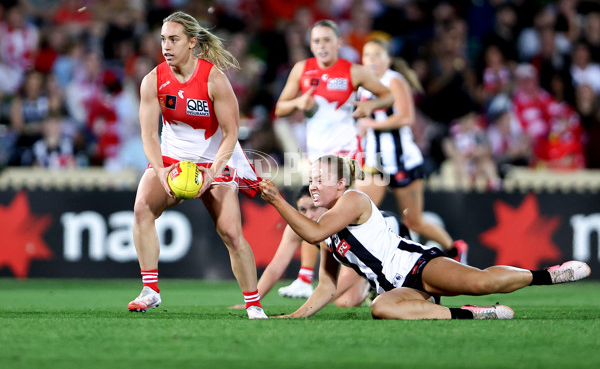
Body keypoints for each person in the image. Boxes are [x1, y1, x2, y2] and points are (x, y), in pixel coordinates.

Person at [258, 154, 591, 320]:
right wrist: (294, 317)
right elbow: (327, 286)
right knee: (380, 308)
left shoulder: (352, 200)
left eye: (320, 179)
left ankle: (547, 275)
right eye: (312, 179)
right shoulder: (327, 236)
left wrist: (276, 199)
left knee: (481, 281)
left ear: (341, 184)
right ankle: (475, 314)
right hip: (397, 289)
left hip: (416, 264)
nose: (313, 185)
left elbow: (312, 229)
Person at [127, 11, 267, 319]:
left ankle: (254, 304)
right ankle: (150, 290)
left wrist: (213, 172)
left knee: (231, 233)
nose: (166, 46)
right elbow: (149, 134)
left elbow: (231, 134)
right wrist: (160, 170)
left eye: (174, 39)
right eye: (163, 39)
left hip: (214, 159)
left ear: (192, 42)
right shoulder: (153, 81)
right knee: (141, 209)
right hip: (172, 158)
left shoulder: (214, 79)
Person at [274, 19, 394, 298]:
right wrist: (298, 104)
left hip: (346, 157)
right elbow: (280, 108)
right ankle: (309, 278)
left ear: (339, 43)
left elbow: (387, 96)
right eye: (316, 41)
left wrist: (370, 106)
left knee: (327, 216)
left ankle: (321, 278)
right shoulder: (302, 70)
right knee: (315, 213)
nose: (322, 46)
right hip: (317, 156)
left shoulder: (353, 71)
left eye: (327, 40)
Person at [355, 38, 468, 260]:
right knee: (358, 214)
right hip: (375, 161)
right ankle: (367, 271)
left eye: (378, 55)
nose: (372, 60)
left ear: (388, 59)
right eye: (368, 55)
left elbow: (406, 117)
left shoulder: (394, 81)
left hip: (402, 161)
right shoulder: (361, 84)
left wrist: (371, 124)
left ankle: (454, 250)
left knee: (413, 221)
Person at [231, 185, 405, 308]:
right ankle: (371, 285)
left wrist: (316, 301)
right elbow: (276, 267)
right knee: (344, 302)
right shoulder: (295, 229)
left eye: (314, 208)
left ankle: (372, 283)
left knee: (348, 300)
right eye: (302, 210)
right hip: (360, 256)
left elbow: (352, 271)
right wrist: (252, 301)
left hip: (393, 234)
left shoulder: (342, 223)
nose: (309, 215)